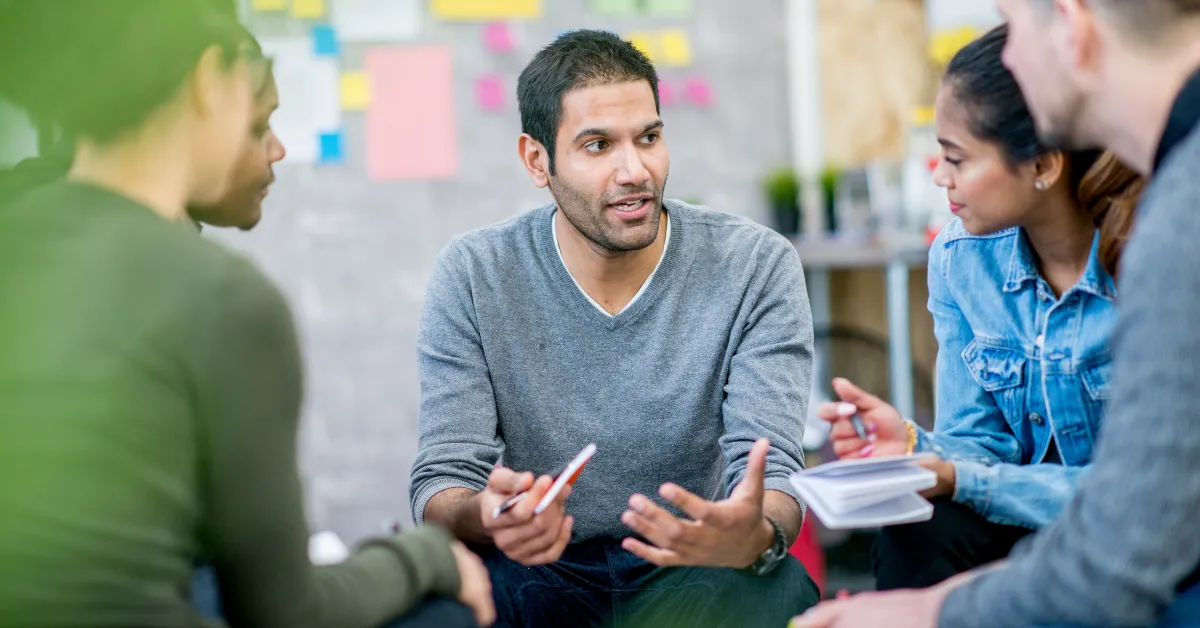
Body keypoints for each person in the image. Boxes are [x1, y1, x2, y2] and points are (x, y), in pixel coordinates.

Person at [0, 2, 492, 627]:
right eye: (260, 119)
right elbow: (284, 613)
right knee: (446, 613)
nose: (276, 147)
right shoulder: (223, 299)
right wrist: (428, 554)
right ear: (211, 81)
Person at [792, 0, 1200, 626]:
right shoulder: (962, 258)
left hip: (1143, 538)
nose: (940, 180)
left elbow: (1138, 514)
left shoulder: (1164, 234)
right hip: (1065, 521)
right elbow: (977, 448)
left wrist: (929, 601)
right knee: (919, 523)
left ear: (1041, 166)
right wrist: (913, 448)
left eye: (958, 159)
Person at [409, 28, 820, 628]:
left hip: (690, 561)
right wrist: (488, 515)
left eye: (649, 138)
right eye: (598, 145)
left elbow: (775, 470)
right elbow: (442, 483)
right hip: (536, 566)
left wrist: (753, 530)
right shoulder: (475, 274)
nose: (635, 170)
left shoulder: (755, 264)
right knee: (440, 611)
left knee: (779, 590)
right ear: (537, 160)